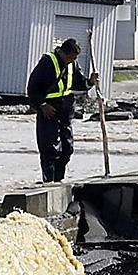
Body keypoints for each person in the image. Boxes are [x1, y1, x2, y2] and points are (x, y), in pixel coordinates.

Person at [27, 37, 92, 184]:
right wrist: (42, 105)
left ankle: (59, 179)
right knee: (50, 148)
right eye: (72, 57)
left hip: (65, 111)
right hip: (48, 111)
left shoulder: (72, 64)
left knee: (67, 148)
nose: (73, 60)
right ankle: (49, 180)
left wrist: (90, 82)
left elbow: (79, 82)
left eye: (75, 58)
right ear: (64, 53)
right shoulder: (47, 62)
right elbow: (32, 87)